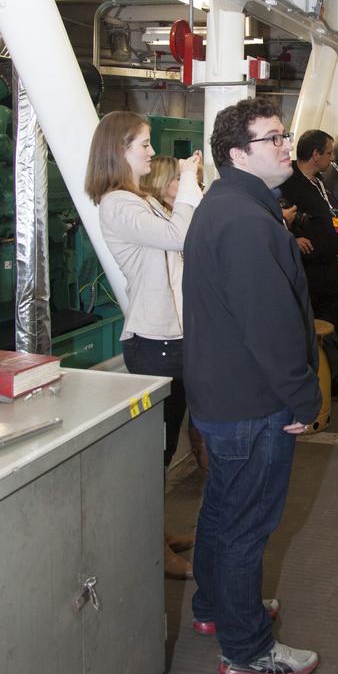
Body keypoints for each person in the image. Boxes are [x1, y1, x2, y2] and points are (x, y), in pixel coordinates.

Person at [182, 99, 321, 674]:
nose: (286, 146)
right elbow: (271, 325)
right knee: (246, 528)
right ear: (238, 154)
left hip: (227, 395)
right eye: (273, 138)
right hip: (252, 402)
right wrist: (305, 396)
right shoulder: (244, 220)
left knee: (222, 511)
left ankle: (216, 606)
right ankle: (246, 649)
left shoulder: (230, 206)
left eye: (285, 135)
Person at [85, 113, 203, 580]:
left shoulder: (141, 200)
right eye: (144, 144)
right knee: (156, 452)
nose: (152, 152)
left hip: (173, 337)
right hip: (155, 343)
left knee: (167, 446)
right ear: (119, 150)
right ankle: (149, 544)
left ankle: (157, 529)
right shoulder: (117, 204)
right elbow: (180, 235)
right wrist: (189, 181)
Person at [280, 129, 338, 403]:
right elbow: (271, 218)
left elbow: (329, 219)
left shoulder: (319, 182)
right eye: (328, 153)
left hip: (329, 264)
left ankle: (332, 382)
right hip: (307, 270)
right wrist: (291, 238)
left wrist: (337, 249)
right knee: (310, 329)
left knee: (333, 323)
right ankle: (314, 387)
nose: (332, 157)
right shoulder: (288, 183)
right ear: (315, 155)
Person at [141, 156, 208, 475]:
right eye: (181, 179)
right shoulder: (155, 223)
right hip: (162, 337)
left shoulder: (174, 219)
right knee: (164, 427)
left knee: (183, 411)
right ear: (161, 182)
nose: (189, 186)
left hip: (187, 331)